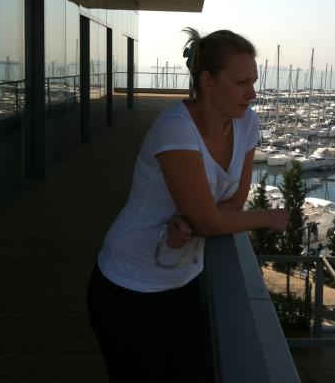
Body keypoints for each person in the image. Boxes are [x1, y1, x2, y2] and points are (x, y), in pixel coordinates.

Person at [87, 27, 289, 382]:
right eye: (242, 83)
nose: (252, 94)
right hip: (128, 284)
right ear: (207, 82)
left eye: (254, 82)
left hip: (184, 278)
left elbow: (233, 201)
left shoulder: (246, 123)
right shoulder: (175, 128)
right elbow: (211, 222)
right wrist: (268, 217)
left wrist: (196, 221)